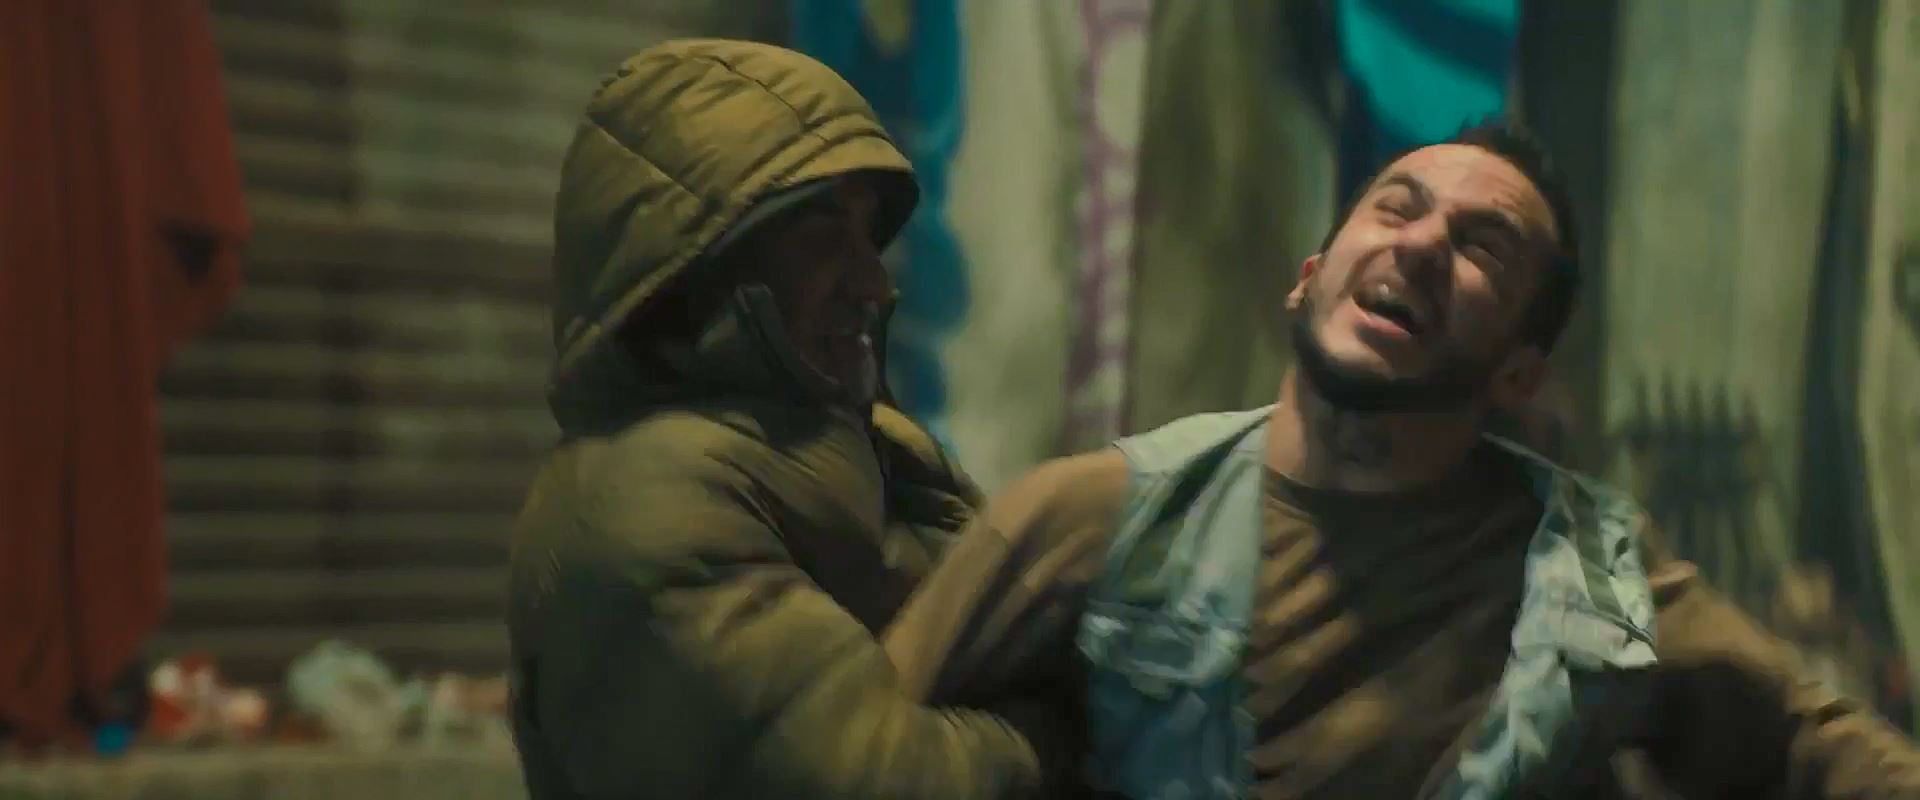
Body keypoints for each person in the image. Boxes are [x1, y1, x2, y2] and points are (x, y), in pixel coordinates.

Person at [883, 120, 1920, 798]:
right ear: (1310, 277)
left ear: (1519, 371)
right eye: (1396, 206)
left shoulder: (1591, 576)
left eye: (1482, 245)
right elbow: (853, 749)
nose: (1419, 245)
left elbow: (1814, 747)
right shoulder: (1097, 516)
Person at [506, 40, 1064, 800]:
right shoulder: (637, 506)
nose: (874, 282)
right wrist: (1078, 735)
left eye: (868, 235)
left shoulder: (863, 450)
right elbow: (880, 778)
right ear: (706, 258)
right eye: (824, 230)